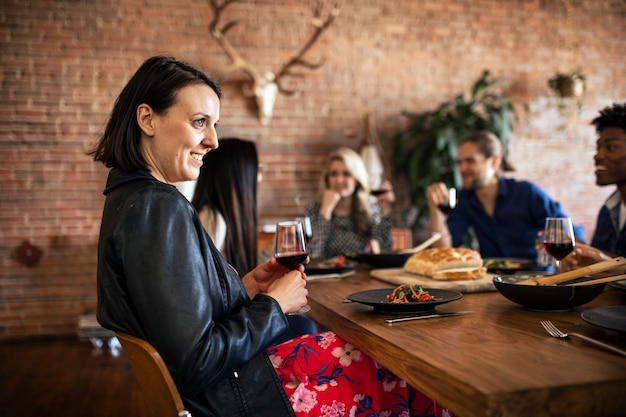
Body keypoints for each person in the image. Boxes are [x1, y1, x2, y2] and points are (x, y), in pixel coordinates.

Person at [89, 56, 450, 417]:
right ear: (147, 119)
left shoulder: (129, 199)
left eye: (214, 125)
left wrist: (242, 290)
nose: (213, 141)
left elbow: (176, 319)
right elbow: (197, 361)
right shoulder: (158, 208)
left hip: (233, 389)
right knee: (415, 377)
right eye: (200, 122)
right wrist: (273, 306)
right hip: (239, 400)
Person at [191, 137, 319, 342]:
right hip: (230, 333)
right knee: (306, 327)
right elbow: (209, 296)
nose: (259, 175)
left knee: (305, 324)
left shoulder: (220, 216)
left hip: (234, 323)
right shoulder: (212, 220)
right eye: (256, 168)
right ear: (239, 173)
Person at [426, 130, 584, 259]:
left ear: (494, 162)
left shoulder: (527, 192)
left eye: (470, 161)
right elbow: (444, 251)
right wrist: (435, 208)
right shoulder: (465, 199)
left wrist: (561, 237)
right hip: (491, 280)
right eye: (459, 162)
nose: (462, 168)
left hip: (535, 277)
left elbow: (573, 235)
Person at [563, 103, 626, 270]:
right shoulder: (609, 209)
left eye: (610, 148)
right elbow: (600, 268)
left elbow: (607, 264)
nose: (598, 155)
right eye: (598, 148)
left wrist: (605, 263)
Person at [304, 147, 396, 259]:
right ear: (327, 179)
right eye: (333, 174)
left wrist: (384, 213)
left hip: (359, 273)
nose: (339, 180)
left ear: (357, 179)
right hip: (325, 275)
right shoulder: (313, 209)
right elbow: (312, 255)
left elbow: (384, 249)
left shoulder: (368, 208)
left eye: (346, 174)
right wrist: (325, 211)